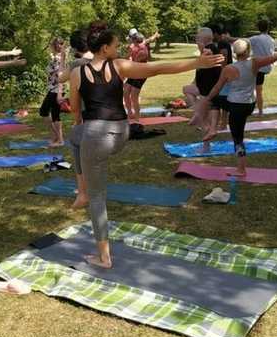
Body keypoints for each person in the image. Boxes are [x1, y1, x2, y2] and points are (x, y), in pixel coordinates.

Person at [69, 21, 225, 269]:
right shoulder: (120, 66)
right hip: (121, 134)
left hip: (95, 137)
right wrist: (196, 63)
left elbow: (75, 110)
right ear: (105, 48)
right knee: (74, 137)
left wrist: (80, 120)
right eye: (116, 46)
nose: (119, 49)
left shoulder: (77, 72)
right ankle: (83, 190)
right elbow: (157, 68)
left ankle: (103, 255)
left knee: (97, 196)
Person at [200, 41, 277, 176]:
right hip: (249, 105)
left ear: (235, 52)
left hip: (236, 106)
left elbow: (217, 88)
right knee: (217, 102)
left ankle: (240, 168)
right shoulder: (255, 63)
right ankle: (213, 129)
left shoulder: (228, 69)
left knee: (237, 138)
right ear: (247, 51)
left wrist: (206, 100)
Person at [59, 30, 94, 208]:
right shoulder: (101, 60)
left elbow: (60, 77)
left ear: (74, 48)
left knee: (78, 147)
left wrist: (63, 57)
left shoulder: (77, 64)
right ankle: (89, 188)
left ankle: (83, 193)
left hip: (88, 117)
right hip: (109, 117)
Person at [123, 28, 160, 122]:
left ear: (135, 40)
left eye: (131, 39)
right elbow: (127, 57)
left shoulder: (142, 51)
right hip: (134, 72)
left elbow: (134, 63)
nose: (130, 40)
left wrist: (130, 54)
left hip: (141, 73)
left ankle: (137, 118)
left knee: (134, 96)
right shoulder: (136, 45)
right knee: (126, 92)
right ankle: (130, 114)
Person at [40, 37, 66, 147]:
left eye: (59, 44)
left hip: (56, 90)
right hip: (53, 88)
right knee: (55, 114)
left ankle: (59, 139)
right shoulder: (56, 57)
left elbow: (60, 75)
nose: (56, 46)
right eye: (56, 44)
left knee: (44, 111)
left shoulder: (58, 59)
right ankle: (58, 138)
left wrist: (60, 92)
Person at [249, 20, 275, 116]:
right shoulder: (271, 39)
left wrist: (228, 38)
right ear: (268, 28)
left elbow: (241, 41)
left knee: (256, 90)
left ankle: (259, 111)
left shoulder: (256, 39)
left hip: (259, 68)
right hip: (266, 67)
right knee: (257, 90)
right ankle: (259, 111)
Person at [210, 24, 233, 130]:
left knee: (224, 99)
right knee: (222, 99)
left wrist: (221, 74)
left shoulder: (222, 43)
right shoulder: (221, 42)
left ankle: (223, 124)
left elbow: (224, 58)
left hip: (225, 74)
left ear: (215, 33)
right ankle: (222, 123)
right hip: (224, 73)